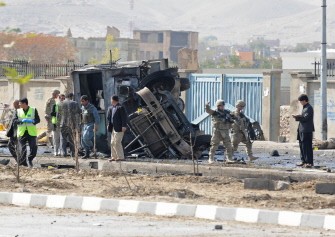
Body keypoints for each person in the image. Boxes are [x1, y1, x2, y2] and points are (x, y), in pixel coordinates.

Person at [205, 100, 234, 164]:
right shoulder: (215, 112)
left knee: (228, 145)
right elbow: (208, 111)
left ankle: (229, 158)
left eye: (223, 105)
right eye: (221, 105)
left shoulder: (227, 112)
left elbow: (232, 119)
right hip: (217, 131)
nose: (222, 107)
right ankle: (211, 158)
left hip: (225, 131)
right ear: (218, 106)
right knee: (214, 145)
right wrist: (207, 106)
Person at [14, 98, 40, 167]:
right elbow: (14, 120)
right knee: (22, 149)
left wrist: (33, 121)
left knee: (33, 148)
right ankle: (24, 163)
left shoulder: (33, 110)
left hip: (31, 132)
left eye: (20, 103)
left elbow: (38, 119)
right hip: (21, 132)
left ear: (25, 103)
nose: (19, 105)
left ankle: (30, 158)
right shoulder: (18, 111)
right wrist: (21, 121)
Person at [292, 94, 314, 168]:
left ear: (304, 100)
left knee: (307, 146)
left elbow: (305, 118)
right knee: (302, 146)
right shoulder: (304, 108)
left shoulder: (309, 108)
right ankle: (304, 161)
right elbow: (303, 117)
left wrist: (297, 117)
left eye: (301, 101)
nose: (300, 103)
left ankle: (309, 162)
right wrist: (298, 116)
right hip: (302, 130)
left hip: (306, 130)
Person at [58, 93, 81, 157]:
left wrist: (58, 123)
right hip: (71, 124)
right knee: (71, 139)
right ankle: (73, 153)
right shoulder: (74, 103)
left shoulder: (61, 103)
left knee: (63, 138)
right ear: (71, 97)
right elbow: (79, 111)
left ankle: (63, 153)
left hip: (63, 124)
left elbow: (58, 114)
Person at [107, 95, 127, 161]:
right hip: (113, 127)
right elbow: (109, 118)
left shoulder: (120, 107)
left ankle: (121, 157)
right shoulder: (111, 108)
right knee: (112, 142)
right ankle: (113, 156)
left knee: (117, 141)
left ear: (113, 100)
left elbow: (124, 118)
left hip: (119, 127)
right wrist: (108, 125)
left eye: (111, 99)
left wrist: (124, 126)